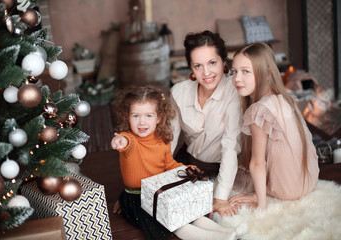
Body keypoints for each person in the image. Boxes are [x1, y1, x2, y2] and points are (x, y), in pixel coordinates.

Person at [111, 85, 243, 240]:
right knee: (174, 222)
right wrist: (119, 141)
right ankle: (216, 238)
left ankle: (228, 232)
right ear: (127, 116)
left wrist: (188, 169)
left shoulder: (162, 140)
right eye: (135, 116)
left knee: (188, 212)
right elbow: (125, 141)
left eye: (148, 116)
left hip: (161, 192)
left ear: (158, 117)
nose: (142, 122)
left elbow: (169, 164)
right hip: (138, 199)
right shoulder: (130, 139)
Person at [228, 42, 319, 210]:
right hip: (308, 180)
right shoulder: (285, 98)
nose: (237, 78)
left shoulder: (260, 110)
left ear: (267, 74)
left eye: (245, 71)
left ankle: (262, 196)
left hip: (286, 189)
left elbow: (258, 163)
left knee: (239, 173)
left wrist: (260, 203)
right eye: (234, 71)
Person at [170, 30, 243, 218]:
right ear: (191, 69)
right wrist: (147, 185)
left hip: (224, 170)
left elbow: (230, 146)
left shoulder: (234, 92)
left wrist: (220, 198)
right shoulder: (179, 92)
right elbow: (168, 141)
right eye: (198, 66)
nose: (207, 72)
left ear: (223, 62)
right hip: (187, 164)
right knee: (170, 211)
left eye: (212, 63)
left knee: (208, 215)